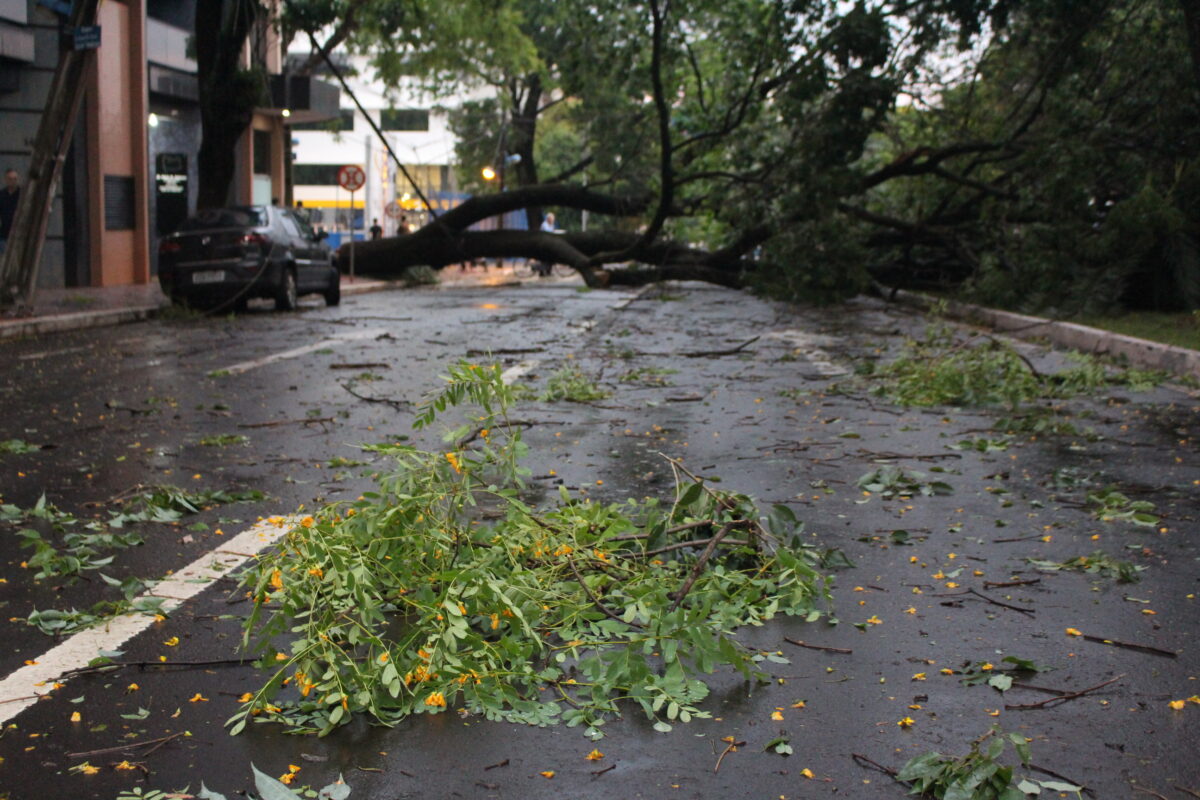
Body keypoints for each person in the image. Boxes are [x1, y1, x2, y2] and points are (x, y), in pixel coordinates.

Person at [0, 168, 20, 255]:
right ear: (6, 180)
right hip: (4, 234)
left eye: (15, 179)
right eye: (10, 179)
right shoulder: (2, 194)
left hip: (19, 234)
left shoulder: (22, 195)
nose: (13, 181)